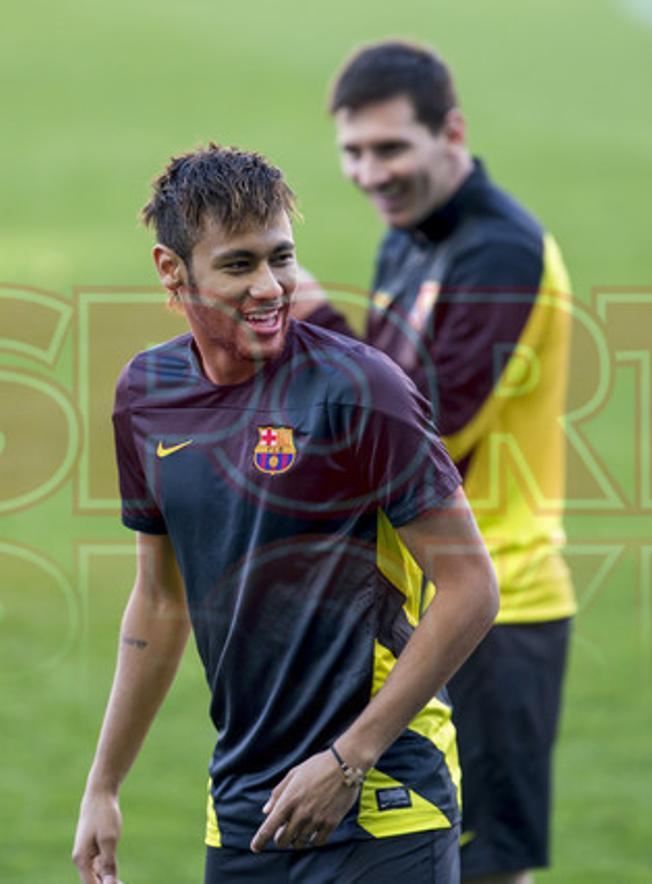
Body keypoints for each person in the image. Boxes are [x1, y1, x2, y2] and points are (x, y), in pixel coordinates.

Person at [71, 143, 498, 884]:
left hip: (383, 803)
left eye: (281, 258)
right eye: (239, 265)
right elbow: (161, 601)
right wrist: (103, 784)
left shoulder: (360, 389)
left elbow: (471, 590)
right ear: (172, 272)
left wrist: (347, 758)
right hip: (247, 816)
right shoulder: (147, 396)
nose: (270, 287)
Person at [293, 41, 576, 884]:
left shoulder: (501, 252)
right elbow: (383, 395)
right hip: (423, 602)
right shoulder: (410, 237)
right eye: (352, 151)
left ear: (450, 131)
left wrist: (318, 327)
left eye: (390, 148)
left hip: (500, 606)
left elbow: (421, 436)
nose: (369, 172)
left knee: (486, 869)